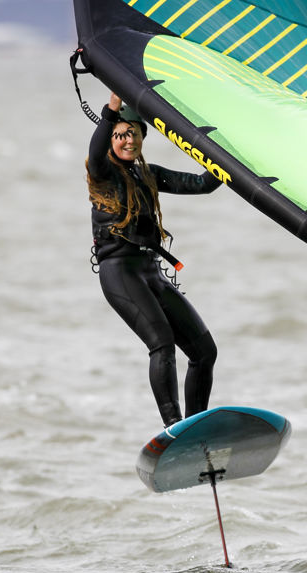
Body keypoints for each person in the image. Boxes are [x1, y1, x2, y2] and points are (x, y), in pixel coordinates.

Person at [86, 92, 223, 427]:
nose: (128, 140)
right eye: (120, 134)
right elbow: (95, 150)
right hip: (119, 272)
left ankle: (196, 425)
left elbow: (203, 183)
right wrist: (113, 109)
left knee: (205, 352)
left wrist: (230, 154)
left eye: (133, 133)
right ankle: (174, 427)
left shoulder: (149, 174)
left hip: (150, 271)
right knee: (161, 344)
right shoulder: (102, 173)